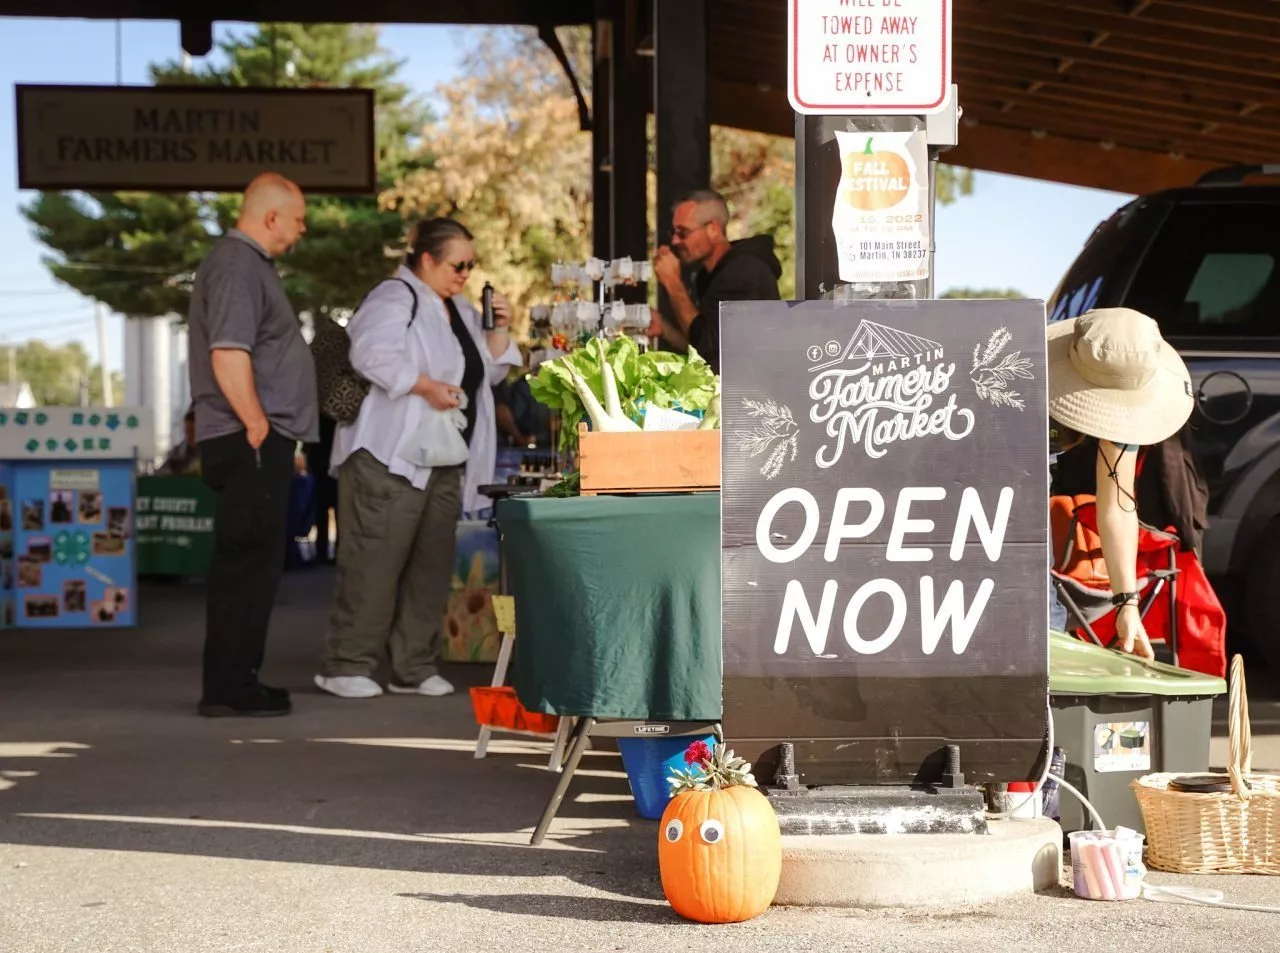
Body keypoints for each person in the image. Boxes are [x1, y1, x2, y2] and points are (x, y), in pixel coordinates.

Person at [314, 218, 520, 700]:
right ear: (426, 259)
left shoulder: (461, 309)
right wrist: (426, 385)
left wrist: (499, 330)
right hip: (389, 454)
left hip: (443, 456)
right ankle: (347, 661)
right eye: (457, 263)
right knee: (374, 560)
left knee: (431, 563)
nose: (466, 272)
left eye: (471, 264)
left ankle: (414, 664)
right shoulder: (393, 297)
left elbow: (486, 375)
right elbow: (371, 355)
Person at [187, 172, 317, 717]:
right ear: (270, 217)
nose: (302, 230)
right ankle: (228, 689)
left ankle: (238, 680)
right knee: (246, 565)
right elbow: (229, 351)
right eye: (298, 219)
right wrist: (258, 423)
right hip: (248, 437)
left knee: (255, 564)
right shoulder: (239, 265)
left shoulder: (247, 265)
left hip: (252, 436)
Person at [1046, 307, 1195, 660]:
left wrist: (1127, 605)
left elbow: (1117, 503)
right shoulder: (1014, 380)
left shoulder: (1122, 380)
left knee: (1046, 625)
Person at [646, 189, 783, 375]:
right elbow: (706, 348)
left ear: (713, 229)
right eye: (673, 232)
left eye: (683, 232)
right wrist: (665, 329)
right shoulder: (713, 274)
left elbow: (714, 351)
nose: (675, 240)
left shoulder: (743, 273)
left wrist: (673, 283)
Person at [157, 407, 200, 476]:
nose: (190, 435)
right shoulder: (177, 452)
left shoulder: (212, 451)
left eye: (193, 431)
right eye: (187, 431)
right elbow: (160, 473)